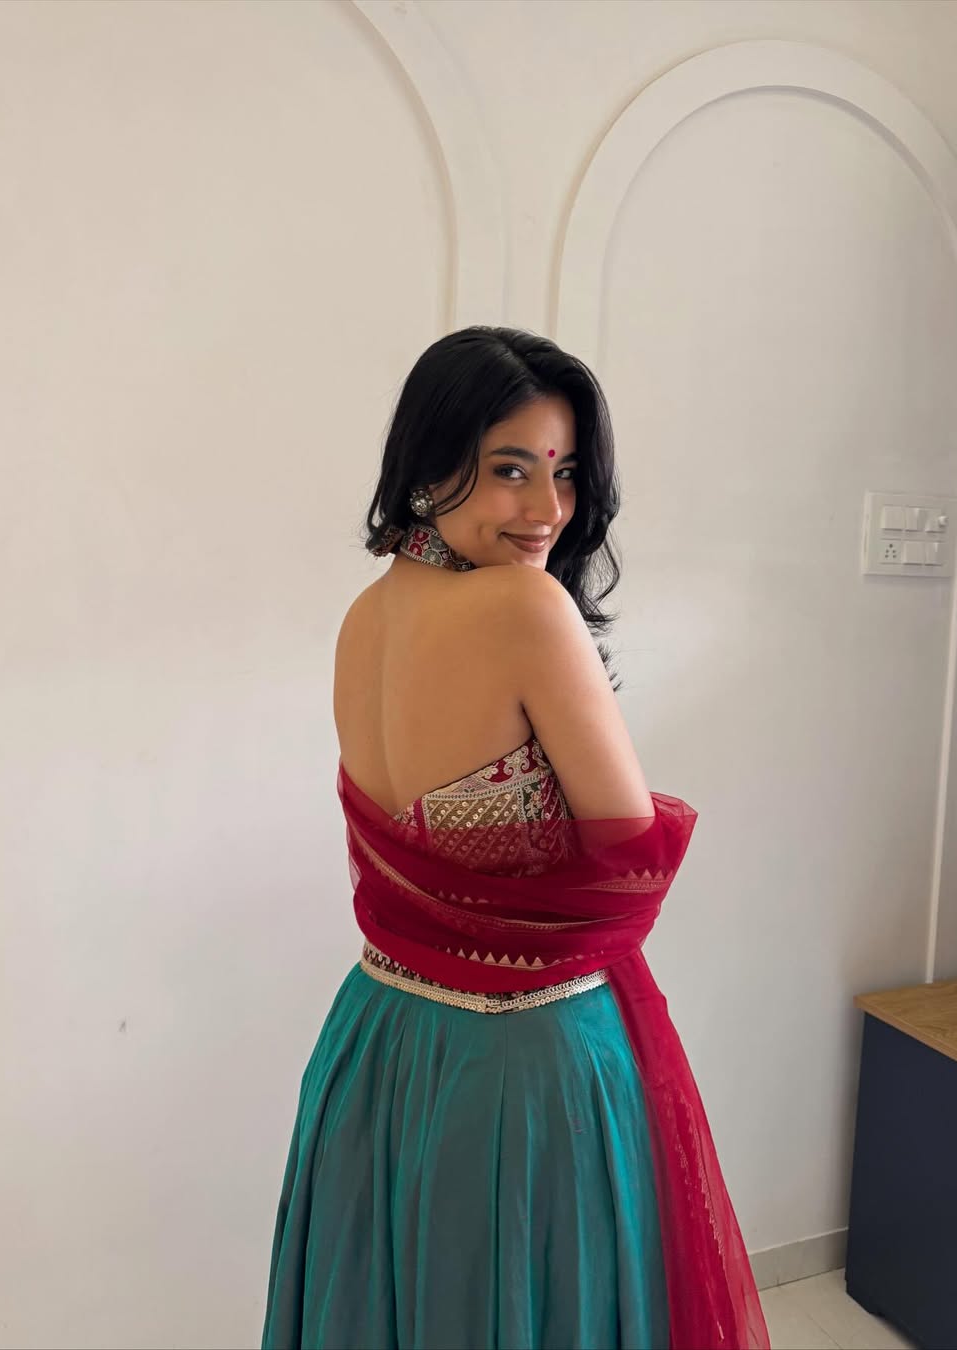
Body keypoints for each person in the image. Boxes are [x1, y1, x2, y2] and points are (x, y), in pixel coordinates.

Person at [261, 326, 769, 1350]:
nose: (548, 509)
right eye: (510, 470)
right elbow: (630, 865)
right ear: (428, 467)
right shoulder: (526, 608)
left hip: (376, 1041)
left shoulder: (365, 617)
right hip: (520, 1064)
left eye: (565, 472)